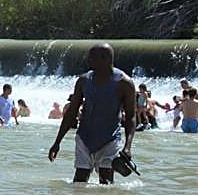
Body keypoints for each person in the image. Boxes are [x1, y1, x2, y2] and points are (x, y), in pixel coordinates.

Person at [48, 43, 136, 184]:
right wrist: (57, 142)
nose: (88, 60)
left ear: (105, 59)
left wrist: (127, 146)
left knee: (106, 184)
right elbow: (71, 112)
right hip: (85, 138)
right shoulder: (83, 81)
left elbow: (131, 116)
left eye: (92, 57)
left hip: (110, 139)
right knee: (79, 183)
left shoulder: (124, 83)